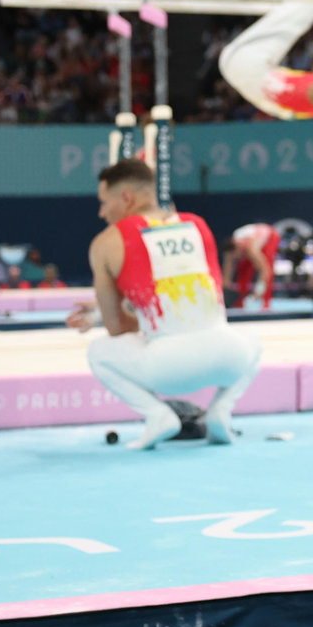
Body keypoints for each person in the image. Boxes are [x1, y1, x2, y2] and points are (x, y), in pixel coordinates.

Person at [66, 159, 262, 450]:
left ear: (127, 198)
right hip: (228, 360)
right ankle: (221, 409)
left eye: (104, 203)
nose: (101, 212)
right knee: (252, 343)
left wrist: (101, 316)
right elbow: (186, 298)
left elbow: (117, 328)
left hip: (168, 371)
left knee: (99, 352)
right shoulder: (198, 225)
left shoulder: (106, 243)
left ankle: (158, 415)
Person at [221, 222, 281, 310]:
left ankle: (266, 303)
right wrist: (223, 294)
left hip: (270, 236)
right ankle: (240, 302)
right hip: (251, 239)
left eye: (236, 255)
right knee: (242, 270)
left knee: (266, 264)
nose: (237, 258)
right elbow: (226, 275)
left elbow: (265, 271)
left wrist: (259, 289)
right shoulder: (230, 251)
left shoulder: (252, 248)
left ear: (238, 248)